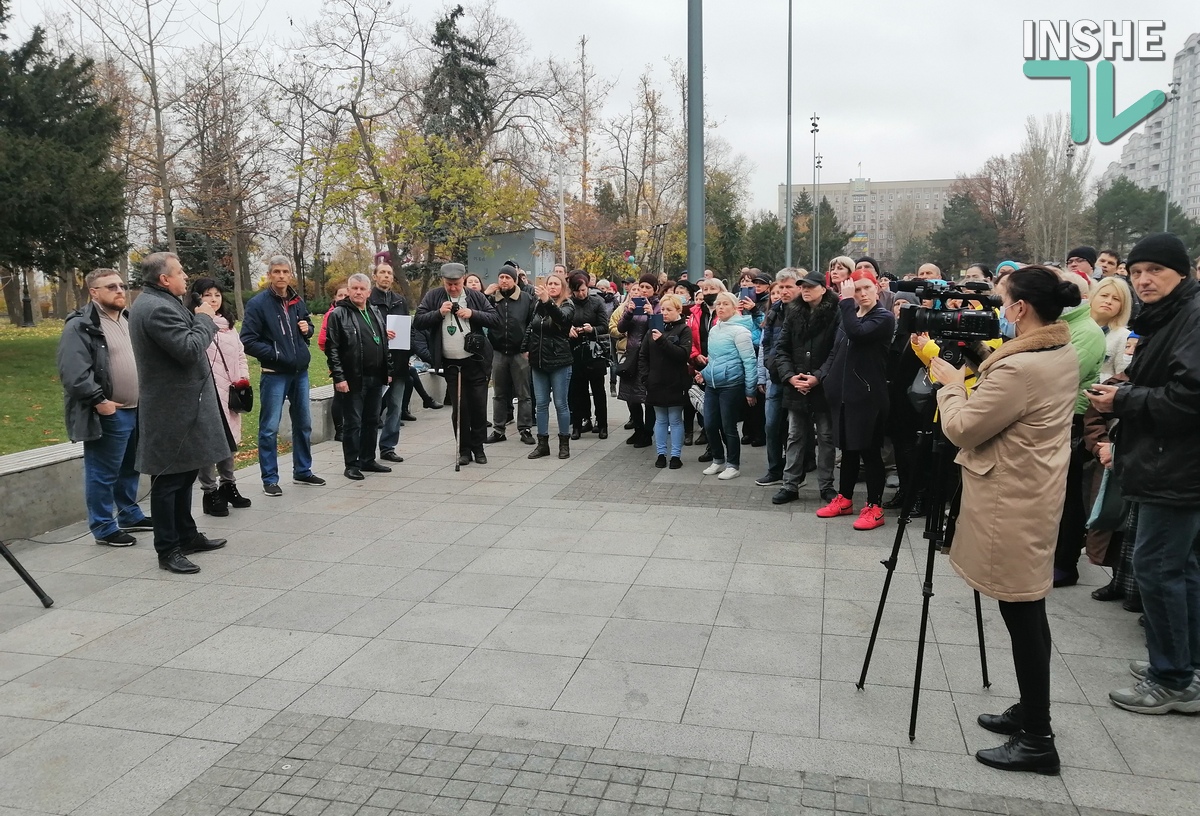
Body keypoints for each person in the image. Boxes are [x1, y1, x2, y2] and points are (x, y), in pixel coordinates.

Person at [929, 264, 1081, 774]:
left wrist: (950, 383)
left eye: (1001, 299)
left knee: (1021, 612)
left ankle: (1038, 738)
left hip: (1011, 500)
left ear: (1020, 308)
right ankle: (1031, 711)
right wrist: (980, 358)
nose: (997, 307)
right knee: (1027, 612)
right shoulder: (1058, 350)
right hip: (1033, 489)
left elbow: (965, 429)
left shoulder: (1020, 368)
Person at [1088, 233, 1200, 715]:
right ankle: (1184, 663)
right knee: (1180, 569)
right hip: (1166, 462)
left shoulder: (1192, 317)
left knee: (1158, 570)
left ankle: (1172, 678)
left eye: (1155, 270)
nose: (1143, 280)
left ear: (1182, 273)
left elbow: (1189, 398)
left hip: (1175, 468)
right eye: (1136, 272)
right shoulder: (1171, 315)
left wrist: (1124, 400)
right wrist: (1126, 387)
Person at [128, 253, 232, 574]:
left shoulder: (163, 301)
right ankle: (167, 548)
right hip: (169, 411)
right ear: (164, 279)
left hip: (184, 407)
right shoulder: (155, 308)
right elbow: (188, 349)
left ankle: (186, 535)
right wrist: (204, 318)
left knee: (185, 473)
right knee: (169, 480)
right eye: (181, 272)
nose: (186, 277)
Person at [57, 268, 152, 546]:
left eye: (122, 285)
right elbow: (74, 373)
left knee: (130, 467)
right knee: (103, 472)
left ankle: (129, 514)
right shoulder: (81, 325)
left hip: (137, 409)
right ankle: (103, 526)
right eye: (111, 286)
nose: (120, 290)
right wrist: (100, 401)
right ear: (94, 292)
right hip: (110, 411)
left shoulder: (128, 319)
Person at [814, 269, 895, 530]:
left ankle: (874, 505)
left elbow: (858, 333)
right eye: (856, 290)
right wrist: (825, 379)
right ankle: (845, 498)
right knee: (847, 451)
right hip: (844, 396)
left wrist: (846, 302)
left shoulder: (882, 317)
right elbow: (836, 350)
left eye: (866, 289)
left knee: (869, 453)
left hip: (868, 396)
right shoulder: (849, 317)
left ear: (877, 290)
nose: (860, 294)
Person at [240, 255, 325, 496]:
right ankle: (270, 478)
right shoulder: (258, 304)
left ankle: (303, 471)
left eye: (285, 272)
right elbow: (247, 340)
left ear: (290, 275)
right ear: (269, 275)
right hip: (274, 373)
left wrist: (308, 329)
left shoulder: (297, 300)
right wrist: (275, 353)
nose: (281, 276)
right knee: (269, 427)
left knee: (304, 424)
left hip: (300, 372)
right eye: (276, 271)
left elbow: (307, 324)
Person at [413, 262, 500, 466]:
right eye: (449, 284)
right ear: (443, 281)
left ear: (463, 280)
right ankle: (463, 449)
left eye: (457, 284)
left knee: (478, 406)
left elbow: (495, 318)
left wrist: (473, 314)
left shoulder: (475, 296)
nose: (453, 288)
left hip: (476, 361)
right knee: (460, 408)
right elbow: (418, 321)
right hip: (451, 364)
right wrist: (438, 313)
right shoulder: (434, 296)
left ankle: (478, 448)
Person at [1051, 269, 1106, 587]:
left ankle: (1066, 562)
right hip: (1057, 416)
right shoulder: (1064, 325)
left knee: (1069, 496)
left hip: (1071, 419)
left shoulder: (1084, 330)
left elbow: (1061, 374)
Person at [771, 269, 840, 504]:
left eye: (811, 286)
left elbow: (836, 351)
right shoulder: (793, 312)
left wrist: (818, 377)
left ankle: (826, 486)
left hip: (823, 386)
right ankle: (789, 485)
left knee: (826, 437)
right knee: (794, 436)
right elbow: (781, 349)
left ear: (823, 288)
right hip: (796, 384)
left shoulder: (835, 313)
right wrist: (790, 377)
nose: (805, 290)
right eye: (803, 286)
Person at [189, 278, 252, 517]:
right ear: (197, 298)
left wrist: (243, 378)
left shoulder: (229, 325)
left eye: (216, 295)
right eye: (207, 295)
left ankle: (229, 484)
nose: (213, 299)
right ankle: (209, 491)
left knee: (228, 441)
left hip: (231, 391)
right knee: (208, 442)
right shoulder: (197, 324)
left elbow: (240, 355)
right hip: (207, 392)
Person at [324, 273, 392, 480]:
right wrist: (339, 378)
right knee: (353, 422)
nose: (358, 292)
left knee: (372, 420)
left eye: (362, 289)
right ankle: (351, 464)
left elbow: (384, 343)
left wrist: (388, 370)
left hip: (375, 376)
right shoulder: (339, 314)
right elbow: (332, 348)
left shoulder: (374, 311)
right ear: (349, 289)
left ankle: (368, 459)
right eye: (355, 288)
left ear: (369, 292)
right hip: (353, 377)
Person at [699, 292, 757, 480]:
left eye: (725, 304)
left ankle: (733, 464)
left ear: (734, 308)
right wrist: (704, 373)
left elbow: (749, 362)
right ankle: (718, 459)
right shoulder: (715, 329)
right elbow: (714, 359)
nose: (721, 307)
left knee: (728, 426)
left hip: (731, 385)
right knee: (709, 424)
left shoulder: (741, 331)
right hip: (712, 384)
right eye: (718, 304)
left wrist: (750, 390)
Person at [754, 269, 800, 487]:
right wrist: (764, 372)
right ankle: (774, 469)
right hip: (775, 378)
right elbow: (766, 345)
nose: (783, 291)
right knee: (771, 426)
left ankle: (795, 474)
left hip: (796, 379)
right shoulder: (774, 312)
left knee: (795, 431)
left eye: (788, 286)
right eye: (780, 287)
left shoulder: (803, 311)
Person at [524, 272, 575, 459]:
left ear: (562, 287)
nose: (552, 287)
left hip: (559, 361)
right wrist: (525, 347)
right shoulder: (539, 304)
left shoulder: (568, 305)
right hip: (538, 361)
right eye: (549, 283)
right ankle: (542, 444)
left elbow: (563, 321)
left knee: (561, 404)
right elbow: (531, 326)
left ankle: (564, 444)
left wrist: (548, 302)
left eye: (556, 284)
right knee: (541, 404)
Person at [640, 293, 692, 469]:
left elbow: (682, 354)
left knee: (675, 419)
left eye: (669, 309)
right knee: (660, 419)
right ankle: (661, 454)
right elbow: (643, 355)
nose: (665, 312)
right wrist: (645, 377)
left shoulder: (684, 329)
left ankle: (675, 455)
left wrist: (662, 341)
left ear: (678, 310)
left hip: (676, 382)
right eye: (662, 309)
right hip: (655, 382)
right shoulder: (652, 329)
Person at [484, 266, 535, 445]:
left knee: (524, 394)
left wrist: (528, 347)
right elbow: (478, 314)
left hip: (520, 353)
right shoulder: (491, 299)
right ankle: (499, 429)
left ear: (515, 280)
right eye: (501, 277)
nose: (504, 280)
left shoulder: (527, 299)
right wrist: (485, 294)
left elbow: (532, 325)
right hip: (498, 352)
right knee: (499, 394)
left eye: (507, 277)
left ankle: (525, 429)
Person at [611, 273, 660, 448]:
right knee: (631, 396)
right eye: (642, 287)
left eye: (648, 287)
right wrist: (629, 312)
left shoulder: (658, 306)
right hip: (631, 356)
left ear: (655, 289)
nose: (644, 291)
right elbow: (621, 328)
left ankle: (648, 433)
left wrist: (651, 314)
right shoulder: (632, 304)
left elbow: (659, 331)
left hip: (650, 357)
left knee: (647, 398)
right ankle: (638, 429)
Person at [369, 262, 410, 464]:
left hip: (399, 360)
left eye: (389, 273)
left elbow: (406, 329)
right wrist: (380, 332)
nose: (386, 276)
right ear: (375, 276)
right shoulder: (368, 300)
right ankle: (366, 449)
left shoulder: (400, 301)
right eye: (382, 272)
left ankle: (388, 447)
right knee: (373, 407)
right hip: (376, 362)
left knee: (395, 406)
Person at [567, 271, 611, 440]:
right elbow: (563, 323)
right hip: (575, 351)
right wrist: (570, 330)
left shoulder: (596, 302)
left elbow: (604, 326)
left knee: (598, 390)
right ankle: (578, 425)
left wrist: (591, 329)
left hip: (594, 351)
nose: (581, 293)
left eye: (584, 290)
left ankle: (603, 424)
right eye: (578, 291)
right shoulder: (569, 303)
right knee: (578, 390)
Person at [319, 286, 350, 441]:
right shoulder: (331, 315)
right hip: (339, 363)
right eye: (340, 295)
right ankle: (340, 430)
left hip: (353, 362)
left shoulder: (352, 313)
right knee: (339, 396)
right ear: (335, 297)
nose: (343, 297)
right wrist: (334, 356)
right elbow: (323, 341)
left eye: (346, 294)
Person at [1089, 277, 1133, 379]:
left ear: (1123, 306)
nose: (1108, 301)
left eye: (1116, 299)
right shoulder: (1076, 325)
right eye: (1104, 295)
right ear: (1093, 296)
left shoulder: (1123, 336)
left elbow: (1122, 377)